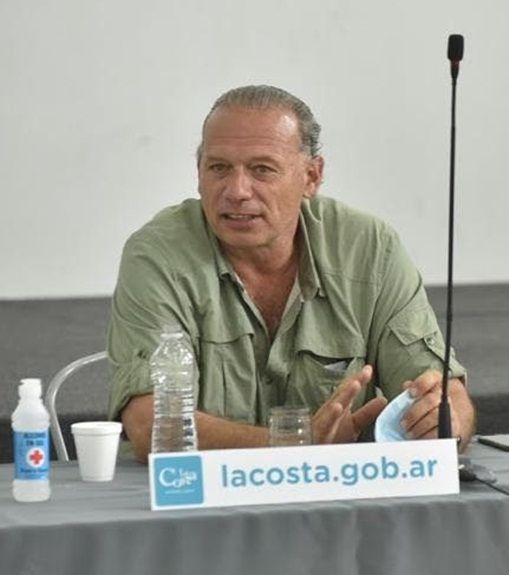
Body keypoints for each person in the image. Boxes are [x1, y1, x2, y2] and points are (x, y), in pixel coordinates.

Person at [107, 85, 475, 461]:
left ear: (311, 177)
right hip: (195, 493)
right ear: (198, 173)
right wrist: (296, 444)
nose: (237, 190)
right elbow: (152, 426)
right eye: (218, 168)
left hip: (343, 492)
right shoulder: (158, 256)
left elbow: (443, 392)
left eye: (262, 170)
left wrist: (443, 421)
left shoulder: (369, 249)